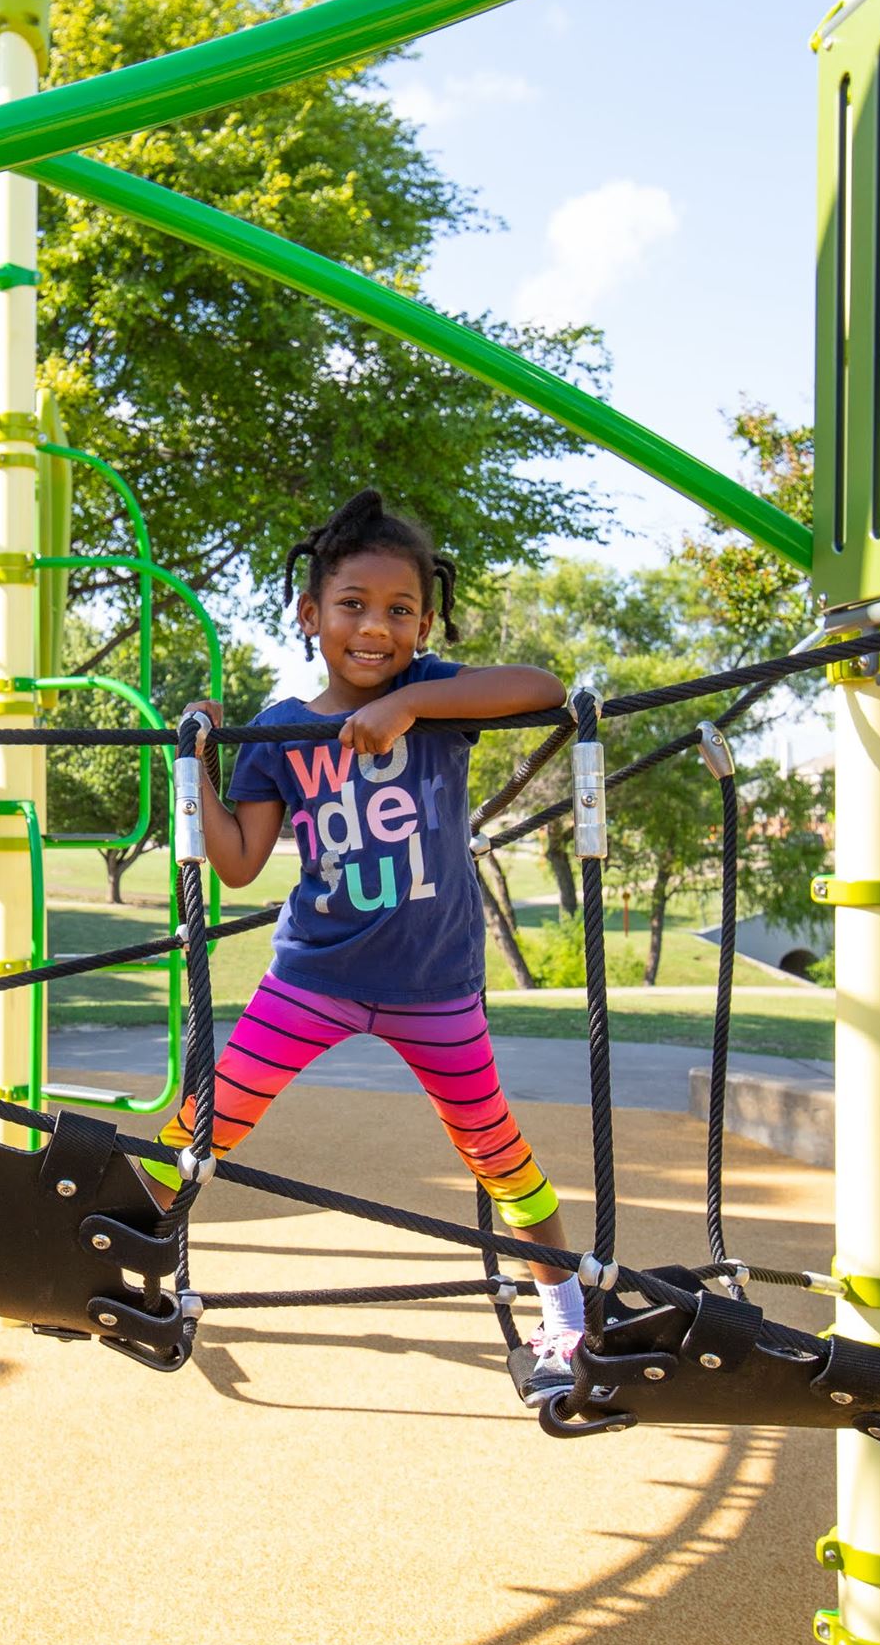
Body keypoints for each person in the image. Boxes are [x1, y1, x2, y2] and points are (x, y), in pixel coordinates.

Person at [149, 489, 588, 1402]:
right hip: (315, 974)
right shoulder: (281, 728)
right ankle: (117, 1252)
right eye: (352, 604)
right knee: (208, 1118)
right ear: (310, 613)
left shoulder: (443, 698)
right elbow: (237, 861)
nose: (376, 626)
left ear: (424, 623)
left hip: (435, 983)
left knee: (492, 1147)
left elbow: (543, 689)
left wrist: (413, 704)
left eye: (400, 609)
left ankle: (567, 1316)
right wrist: (192, 762)